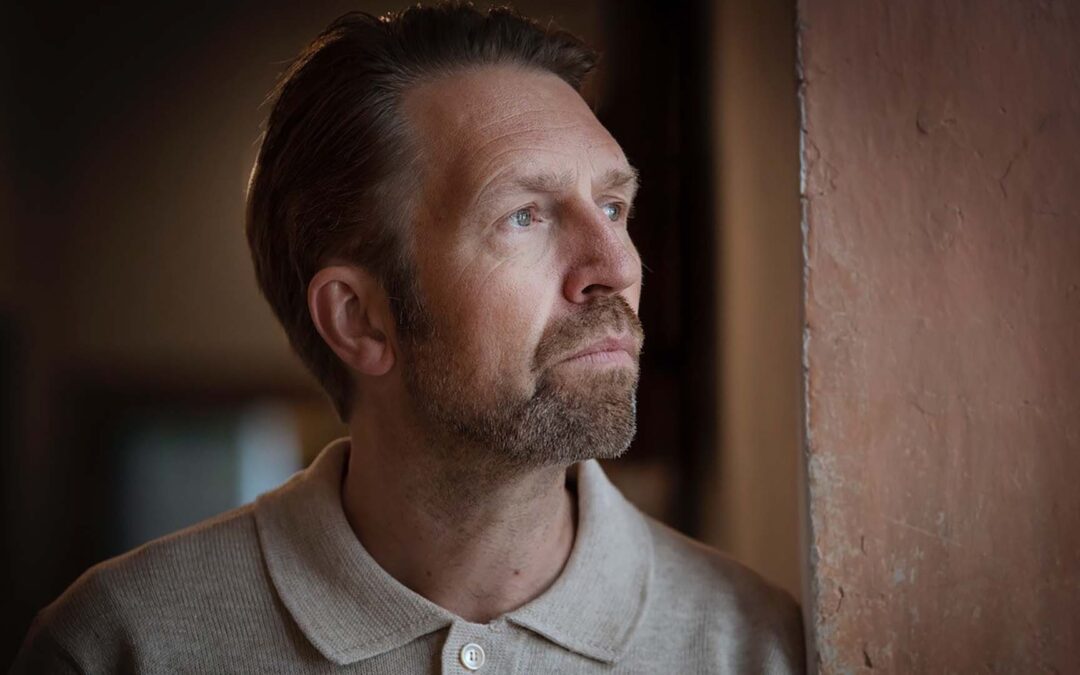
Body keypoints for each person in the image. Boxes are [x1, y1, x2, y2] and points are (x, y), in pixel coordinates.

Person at [13, 3, 804, 673]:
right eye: (523, 216)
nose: (618, 265)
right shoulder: (119, 645)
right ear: (360, 318)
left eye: (612, 207)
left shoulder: (757, 647)